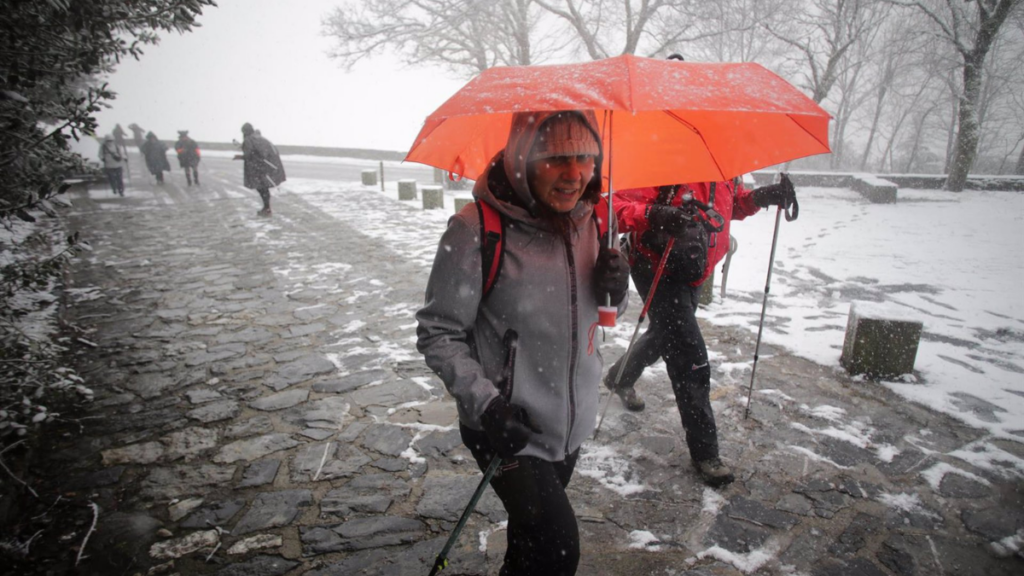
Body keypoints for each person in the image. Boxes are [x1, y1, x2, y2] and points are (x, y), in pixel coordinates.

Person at [417, 110, 630, 576]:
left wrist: (618, 286)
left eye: (585, 158)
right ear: (522, 159)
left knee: (530, 539)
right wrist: (488, 406)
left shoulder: (596, 220)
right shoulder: (477, 229)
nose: (574, 174)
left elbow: (601, 319)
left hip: (570, 425)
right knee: (557, 550)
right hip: (506, 427)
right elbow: (438, 333)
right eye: (555, 158)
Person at [606, 175, 797, 487]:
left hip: (693, 269)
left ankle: (619, 377)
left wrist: (761, 197)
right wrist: (655, 214)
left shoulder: (722, 165)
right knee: (690, 358)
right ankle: (705, 451)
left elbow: (728, 205)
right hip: (658, 267)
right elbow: (615, 207)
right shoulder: (668, 158)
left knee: (665, 335)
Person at [234, 123, 286, 217]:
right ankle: (267, 208)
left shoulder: (249, 140)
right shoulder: (259, 138)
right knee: (264, 187)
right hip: (265, 165)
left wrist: (240, 157)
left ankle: (267, 208)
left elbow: (249, 154)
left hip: (257, 167)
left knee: (261, 188)